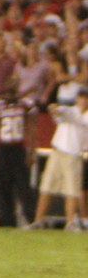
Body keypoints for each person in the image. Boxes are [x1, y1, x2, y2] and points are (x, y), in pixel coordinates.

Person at [28, 86, 88, 231]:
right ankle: (38, 220)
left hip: (73, 154)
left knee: (72, 190)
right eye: (81, 97)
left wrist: (59, 110)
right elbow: (61, 113)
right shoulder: (71, 111)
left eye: (85, 98)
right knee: (46, 186)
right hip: (57, 151)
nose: (83, 100)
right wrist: (55, 109)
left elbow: (75, 118)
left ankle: (70, 222)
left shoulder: (82, 115)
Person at [0, 74, 38, 227]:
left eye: (14, 83)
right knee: (3, 188)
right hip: (2, 149)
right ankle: (8, 222)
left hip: (18, 149)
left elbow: (31, 129)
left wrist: (31, 151)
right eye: (9, 82)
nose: (11, 86)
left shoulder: (25, 104)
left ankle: (32, 219)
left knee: (23, 188)